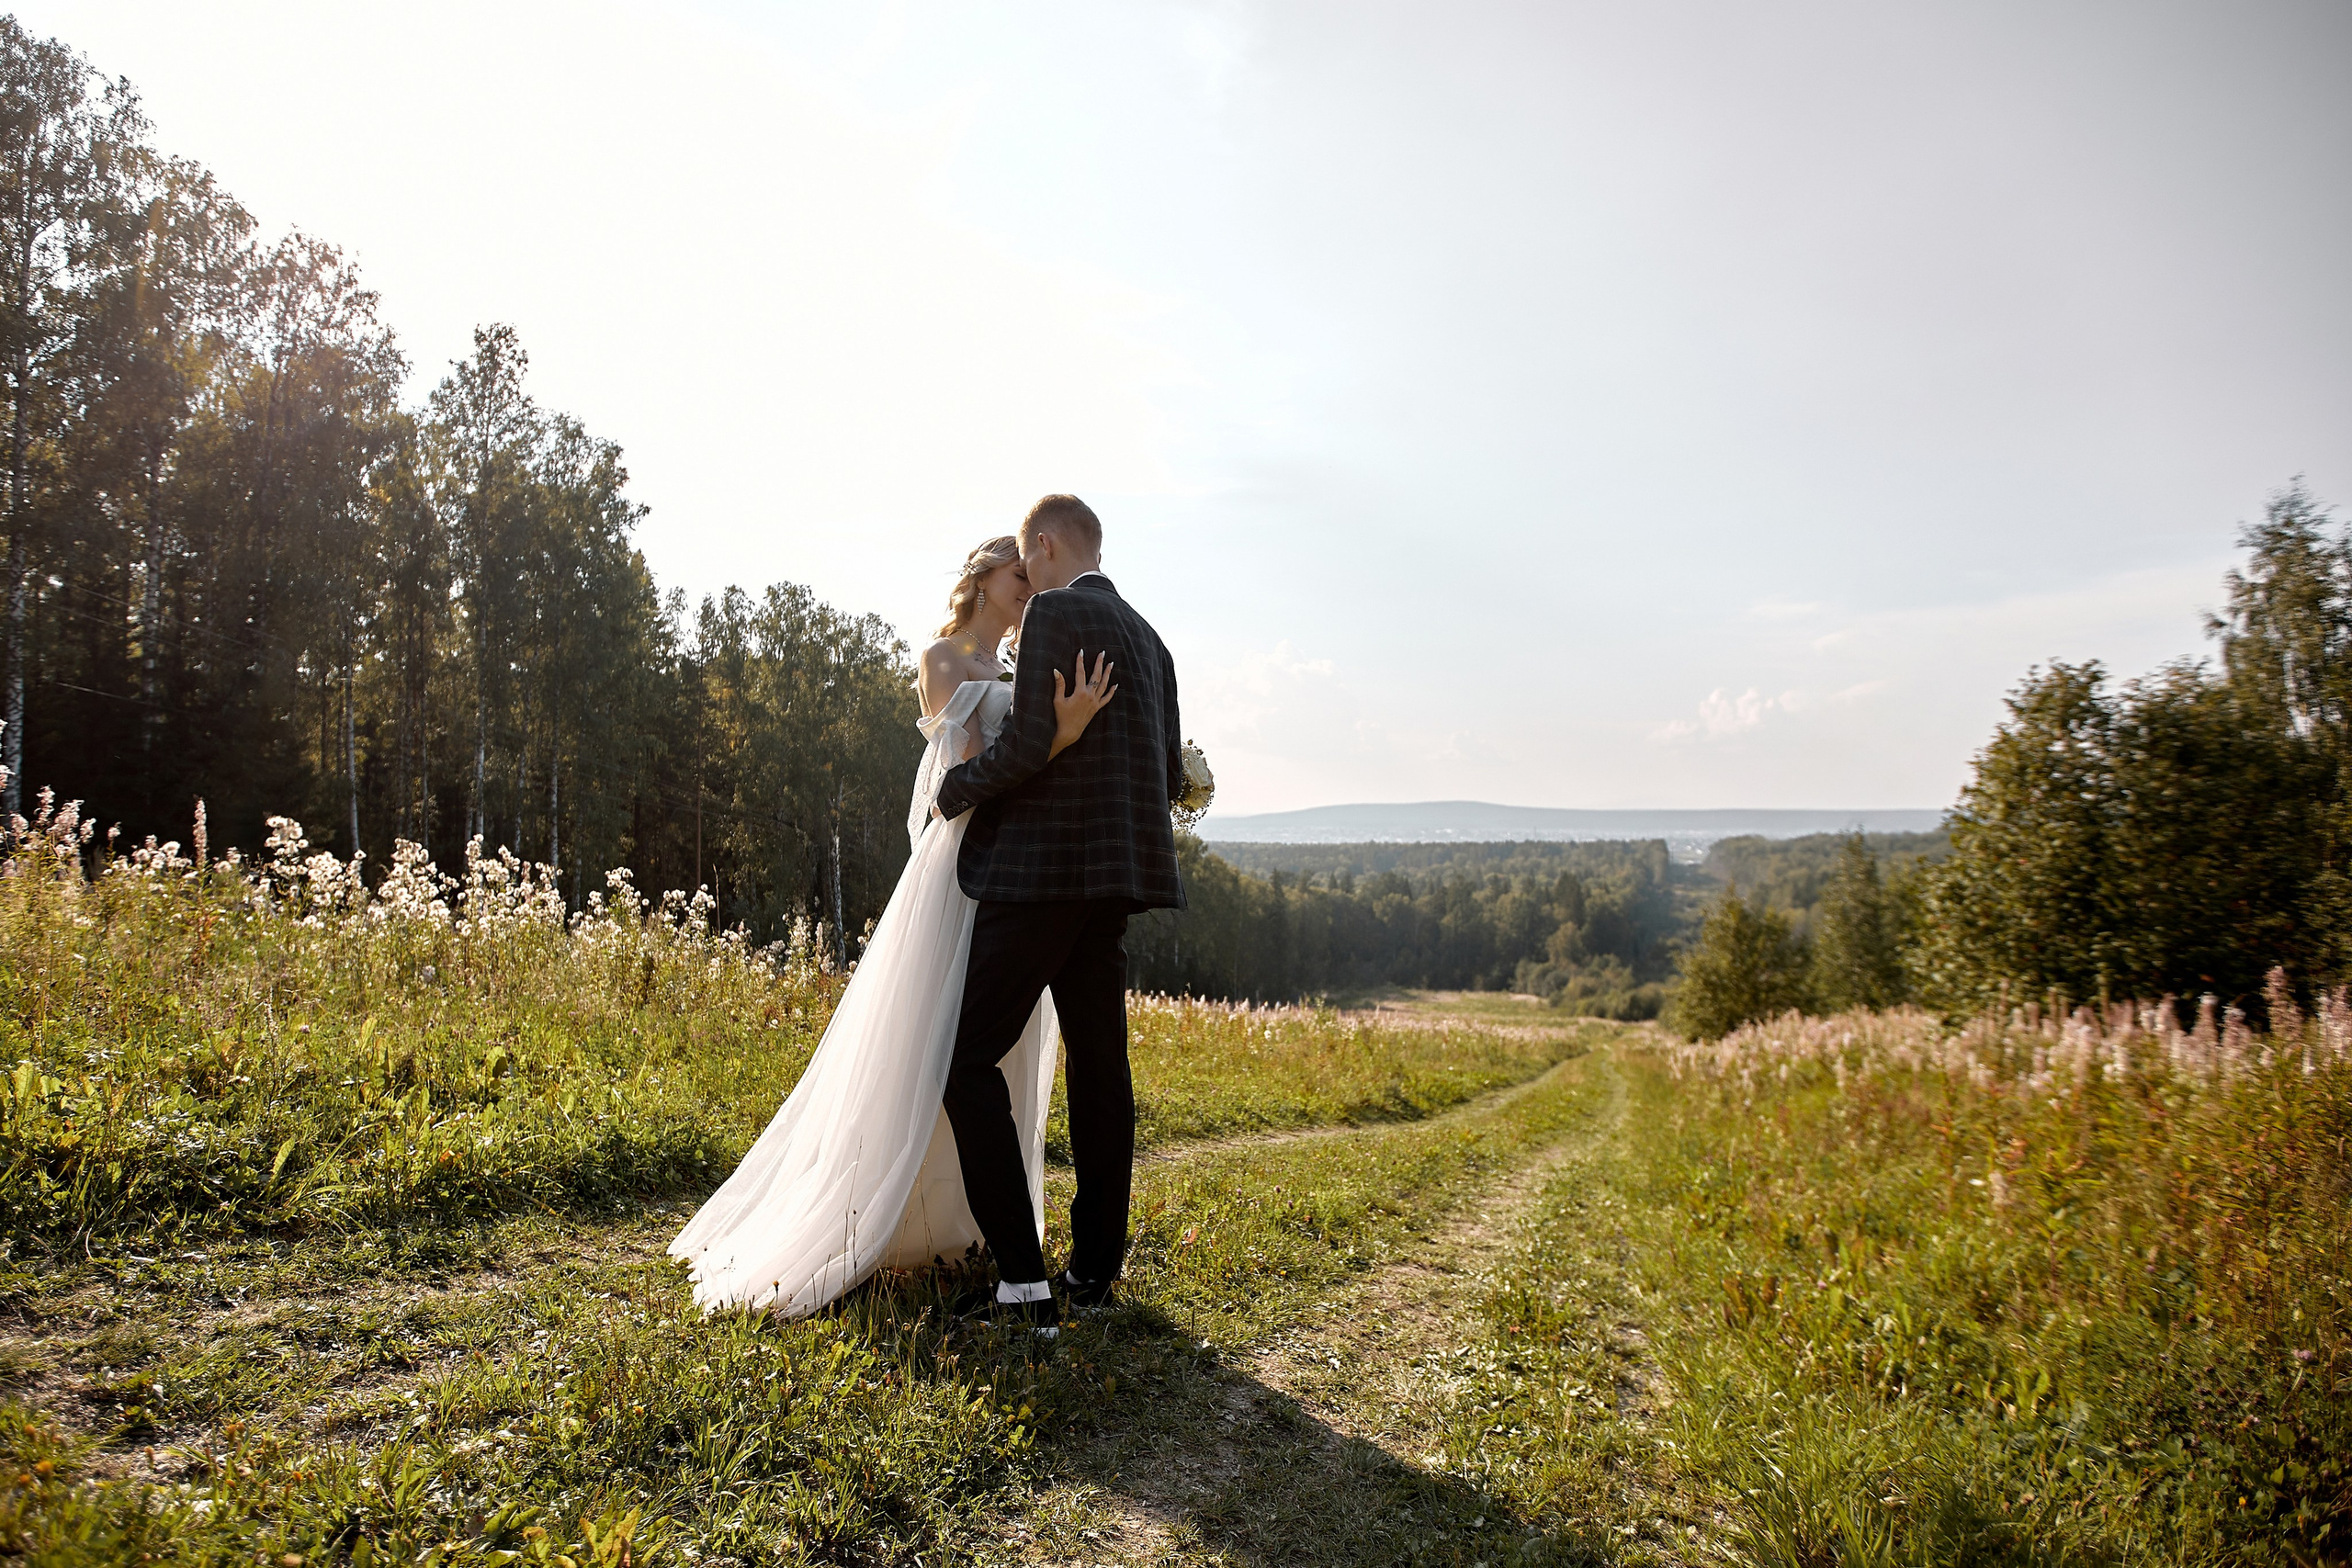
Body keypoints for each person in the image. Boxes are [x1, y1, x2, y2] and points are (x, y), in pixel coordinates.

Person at [665, 531, 1120, 1316]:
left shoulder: (1016, 668)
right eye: (1018, 577)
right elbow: (973, 773)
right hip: (962, 865)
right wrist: (1060, 736)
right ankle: (873, 1215)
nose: (1026, 592)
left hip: (1018, 873)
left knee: (990, 1048)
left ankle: (968, 1227)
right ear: (982, 578)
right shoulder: (944, 659)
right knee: (936, 1039)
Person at [932, 494, 1188, 1337]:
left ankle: (1022, 1284)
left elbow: (1028, 744)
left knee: (965, 1058)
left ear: (1044, 546)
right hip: (1114, 885)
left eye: (1028, 559)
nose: (1027, 578)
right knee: (1101, 1072)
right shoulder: (1154, 643)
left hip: (1042, 879)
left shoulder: (1055, 612)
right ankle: (1094, 1272)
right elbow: (1166, 778)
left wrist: (953, 789)